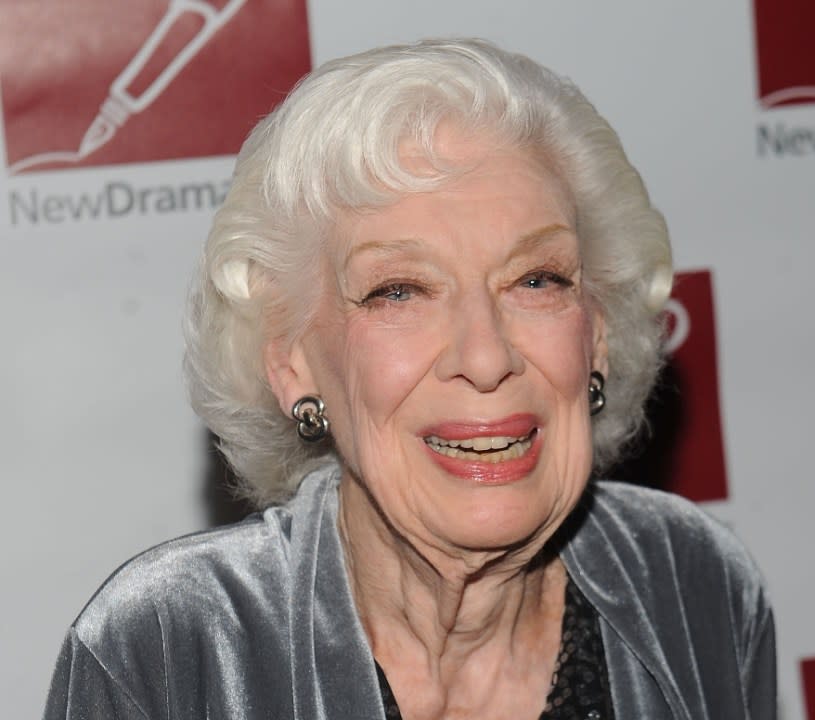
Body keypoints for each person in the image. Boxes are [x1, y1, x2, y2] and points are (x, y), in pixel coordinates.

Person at [44, 39, 775, 719]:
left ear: (597, 334)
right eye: (398, 291)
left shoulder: (691, 585)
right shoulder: (174, 650)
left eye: (536, 279)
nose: (485, 357)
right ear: (291, 361)